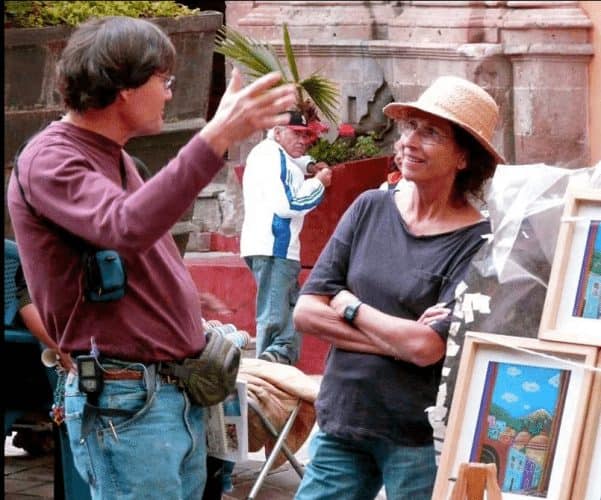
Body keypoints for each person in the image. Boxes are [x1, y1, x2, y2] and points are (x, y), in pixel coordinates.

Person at [7, 15, 296, 500]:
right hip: (128, 401)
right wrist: (215, 137)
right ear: (123, 86)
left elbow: (132, 237)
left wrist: (177, 297)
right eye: (163, 80)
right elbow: (126, 226)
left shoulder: (113, 155)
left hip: (160, 396)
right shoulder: (53, 158)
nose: (169, 94)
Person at [293, 75, 505, 500]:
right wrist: (398, 341)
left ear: (464, 157)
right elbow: (306, 312)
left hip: (416, 436)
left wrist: (350, 305)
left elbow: (429, 349)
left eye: (431, 133)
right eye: (409, 127)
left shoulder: (477, 242)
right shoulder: (370, 207)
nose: (409, 141)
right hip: (345, 417)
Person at [240, 110, 332, 365]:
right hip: (274, 246)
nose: (303, 141)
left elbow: (293, 163)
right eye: (297, 134)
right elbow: (288, 204)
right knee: (275, 315)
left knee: (289, 309)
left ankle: (277, 364)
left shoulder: (273, 153)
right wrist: (319, 184)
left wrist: (310, 166)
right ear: (278, 132)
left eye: (306, 135)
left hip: (273, 246)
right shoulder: (271, 155)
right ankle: (267, 371)